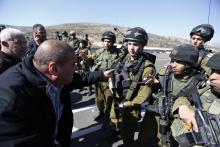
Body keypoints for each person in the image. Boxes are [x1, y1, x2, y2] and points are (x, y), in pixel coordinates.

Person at [0, 40, 113, 147]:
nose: (76, 68)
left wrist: (102, 74)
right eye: (73, 64)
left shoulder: (51, 74)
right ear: (53, 68)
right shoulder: (13, 98)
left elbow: (79, 78)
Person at [139, 44, 206, 147]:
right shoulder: (165, 73)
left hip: (179, 120)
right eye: (172, 60)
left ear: (189, 64)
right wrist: (155, 82)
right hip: (161, 114)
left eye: (178, 62)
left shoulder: (198, 82)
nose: (173, 65)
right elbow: (157, 88)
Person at [108, 27, 156, 147]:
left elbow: (145, 93)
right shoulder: (124, 59)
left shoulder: (147, 67)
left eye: (135, 44)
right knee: (116, 122)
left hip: (131, 105)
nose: (131, 48)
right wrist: (110, 81)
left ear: (143, 45)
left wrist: (128, 104)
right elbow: (113, 72)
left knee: (127, 133)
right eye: (129, 44)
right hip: (117, 99)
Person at [170, 52, 220, 146]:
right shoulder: (206, 89)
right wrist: (183, 107)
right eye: (213, 71)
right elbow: (183, 97)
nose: (212, 77)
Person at [91, 31, 122, 121]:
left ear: (113, 42)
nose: (106, 43)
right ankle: (101, 112)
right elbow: (91, 60)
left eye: (109, 41)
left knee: (109, 100)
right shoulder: (99, 52)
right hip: (98, 80)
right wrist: (86, 58)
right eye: (105, 41)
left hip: (109, 81)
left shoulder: (118, 53)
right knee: (99, 99)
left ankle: (108, 117)